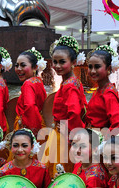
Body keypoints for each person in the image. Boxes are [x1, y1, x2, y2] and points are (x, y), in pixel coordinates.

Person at [41, 35, 87, 178]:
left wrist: (71, 136)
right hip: (63, 132)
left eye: (62, 62)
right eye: (55, 62)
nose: (57, 66)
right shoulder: (73, 81)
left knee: (61, 170)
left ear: (73, 62)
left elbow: (74, 112)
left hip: (64, 136)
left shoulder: (70, 86)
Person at [84, 40, 119, 133]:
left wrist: (105, 142)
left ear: (109, 69)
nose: (93, 71)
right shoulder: (100, 89)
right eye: (90, 67)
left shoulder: (108, 93)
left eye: (97, 67)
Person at [13, 47, 47, 138]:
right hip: (40, 122)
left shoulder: (28, 84)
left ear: (35, 67)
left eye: (23, 65)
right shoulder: (38, 81)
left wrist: (32, 132)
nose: (19, 68)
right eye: (17, 65)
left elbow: (30, 106)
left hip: (28, 126)